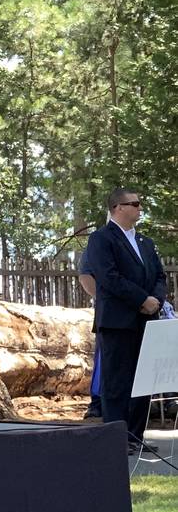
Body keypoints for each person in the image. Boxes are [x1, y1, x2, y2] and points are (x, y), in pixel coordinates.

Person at [86, 187, 167, 455]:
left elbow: (159, 275)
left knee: (143, 381)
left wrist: (154, 299)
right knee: (117, 381)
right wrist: (141, 299)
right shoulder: (101, 238)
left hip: (146, 320)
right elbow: (108, 278)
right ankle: (117, 437)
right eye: (135, 204)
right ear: (117, 208)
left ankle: (136, 435)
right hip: (118, 321)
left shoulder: (145, 242)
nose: (140, 208)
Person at [78, 248, 103, 420]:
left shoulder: (140, 244)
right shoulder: (98, 244)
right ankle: (98, 402)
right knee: (103, 361)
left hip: (139, 313)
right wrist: (107, 299)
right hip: (110, 315)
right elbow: (85, 276)